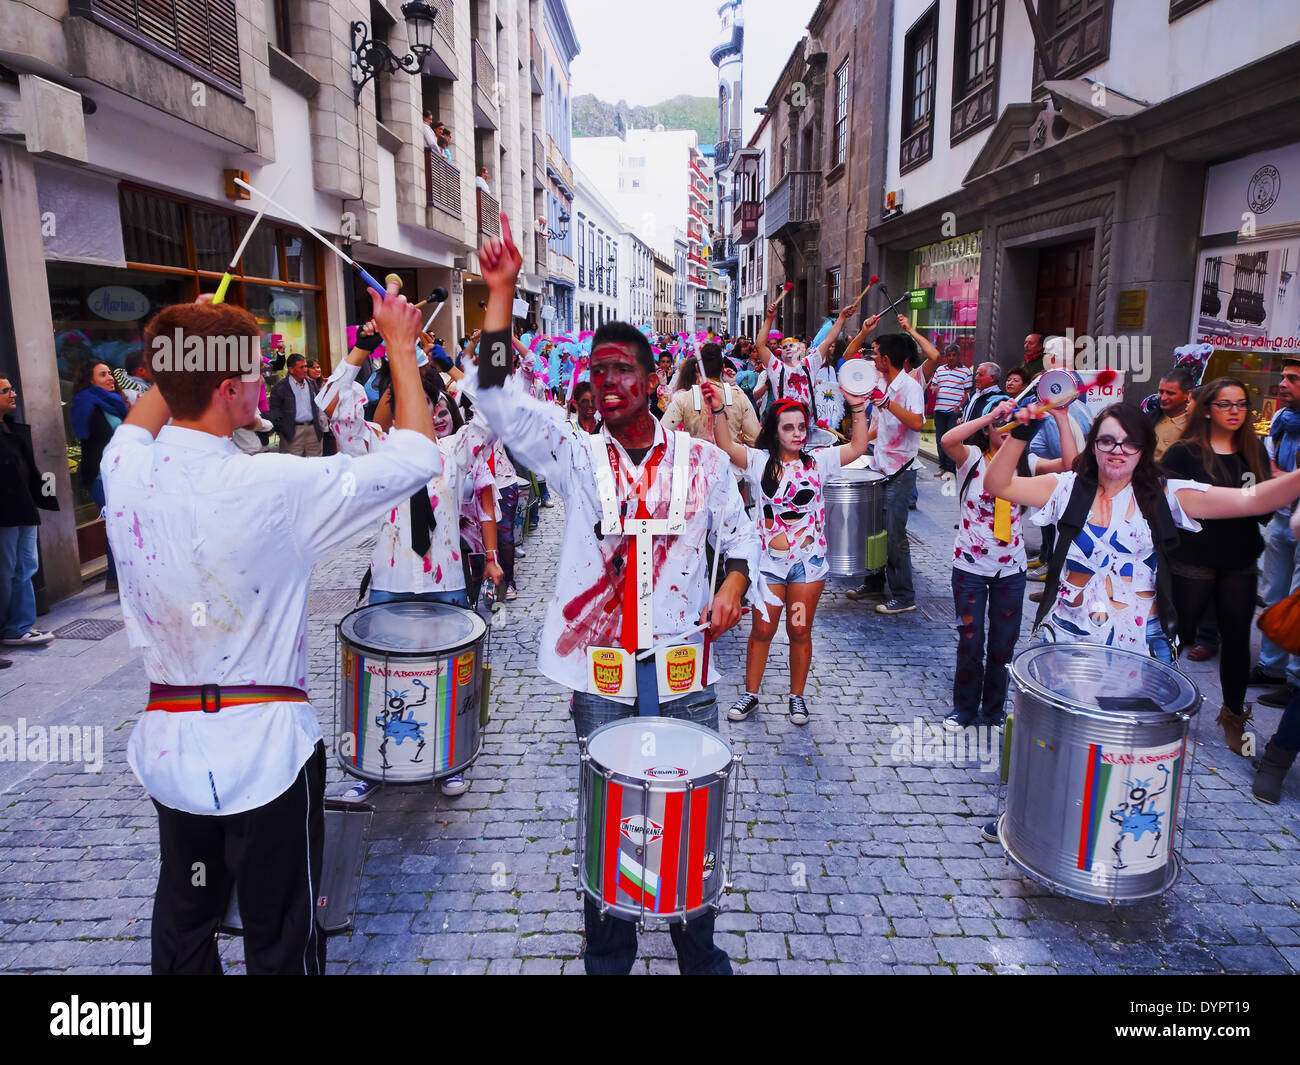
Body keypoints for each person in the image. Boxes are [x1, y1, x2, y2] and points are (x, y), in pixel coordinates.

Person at [102, 288, 438, 974]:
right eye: (255, 370)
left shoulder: (123, 468)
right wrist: (400, 345)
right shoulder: (274, 486)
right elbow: (417, 459)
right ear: (228, 388)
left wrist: (185, 346)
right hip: (268, 756)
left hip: (175, 747)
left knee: (186, 921)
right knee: (280, 932)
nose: (267, 379)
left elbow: (151, 411)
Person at [470, 212, 762, 976]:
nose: (604, 382)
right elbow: (498, 402)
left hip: (683, 671)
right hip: (600, 673)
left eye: (620, 370)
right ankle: (608, 950)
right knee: (612, 813)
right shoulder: (575, 455)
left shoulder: (703, 463)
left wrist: (732, 585)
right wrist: (499, 294)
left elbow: (739, 541)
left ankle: (697, 946)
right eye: (596, 372)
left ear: (652, 381)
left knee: (690, 808)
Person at [980, 399, 1300, 841]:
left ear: (1144, 450)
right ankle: (1028, 816)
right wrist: (1021, 429)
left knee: (1117, 745)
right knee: (1049, 735)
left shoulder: (1165, 495)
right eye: (1107, 440)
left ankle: (1098, 828)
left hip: (1135, 649)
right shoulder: (1066, 487)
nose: (1117, 451)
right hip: (1065, 640)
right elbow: (999, 483)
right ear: (1094, 445)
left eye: (1129, 444)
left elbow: (1257, 498)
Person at [712, 386, 869, 725]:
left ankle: (797, 697)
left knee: (800, 631)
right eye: (788, 427)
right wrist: (718, 410)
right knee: (762, 631)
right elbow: (725, 445)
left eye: (801, 427)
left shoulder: (821, 460)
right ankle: (750, 694)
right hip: (768, 567)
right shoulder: (758, 461)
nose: (797, 433)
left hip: (807, 569)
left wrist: (857, 408)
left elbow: (858, 447)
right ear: (775, 430)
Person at [939, 397, 1076, 730]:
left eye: (1011, 421)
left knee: (1003, 643)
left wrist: (1060, 417)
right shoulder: (970, 458)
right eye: (999, 423)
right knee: (970, 640)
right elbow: (947, 440)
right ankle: (964, 708)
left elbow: (1071, 466)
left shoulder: (1026, 462)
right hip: (970, 567)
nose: (1005, 427)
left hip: (1011, 570)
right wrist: (991, 414)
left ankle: (994, 710)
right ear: (987, 429)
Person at [1161, 378, 1270, 755]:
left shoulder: (1252, 450)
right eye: (1226, 404)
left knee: (1237, 640)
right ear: (1207, 409)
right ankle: (1164, 709)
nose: (1236, 411)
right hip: (1194, 557)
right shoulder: (1184, 454)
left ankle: (1234, 716)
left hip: (1240, 558)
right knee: (1181, 635)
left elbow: (1265, 511)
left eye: (1241, 404)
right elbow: (1169, 509)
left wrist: (1252, 495)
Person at [842, 331, 926, 614]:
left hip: (901, 470)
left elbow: (916, 422)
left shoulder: (909, 387)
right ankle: (874, 583)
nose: (872, 357)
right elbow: (881, 424)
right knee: (873, 530)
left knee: (893, 535)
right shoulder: (880, 382)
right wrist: (860, 441)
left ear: (887, 359)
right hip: (878, 466)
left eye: (876, 353)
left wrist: (887, 403)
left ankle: (904, 595)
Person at [1253, 358, 1300, 710]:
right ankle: (1271, 668)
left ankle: (1295, 681)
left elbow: (1276, 472)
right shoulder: (1284, 421)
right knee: (1274, 592)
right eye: (1284, 377)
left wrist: (1273, 472)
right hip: (1282, 517)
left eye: (1293, 379)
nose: (1283, 384)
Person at [0, 375, 58, 652]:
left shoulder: (12, 428)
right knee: (7, 570)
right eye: (5, 390)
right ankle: (10, 627)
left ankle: (19, 627)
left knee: (26, 568)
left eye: (11, 388)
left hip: (24, 508)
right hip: (6, 513)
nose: (12, 394)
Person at [71, 359, 129, 595]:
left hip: (122, 472)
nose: (110, 377)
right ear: (90, 380)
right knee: (116, 524)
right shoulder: (86, 403)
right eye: (103, 374)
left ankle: (117, 579)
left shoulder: (115, 403)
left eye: (110, 373)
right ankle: (117, 579)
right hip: (99, 475)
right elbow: (89, 435)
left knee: (122, 525)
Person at [661, 344, 760, 446]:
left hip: (697, 460)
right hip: (732, 459)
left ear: (697, 368)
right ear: (723, 368)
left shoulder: (683, 399)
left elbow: (662, 436)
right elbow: (754, 439)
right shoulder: (739, 397)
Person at [269, 354, 324, 457]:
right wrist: (284, 431)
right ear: (291, 369)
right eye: (301, 367)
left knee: (315, 465)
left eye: (306, 366)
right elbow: (275, 413)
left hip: (313, 431)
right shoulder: (280, 388)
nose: (305, 370)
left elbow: (320, 405)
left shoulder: (312, 384)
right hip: (292, 433)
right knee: (293, 467)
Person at [929, 343, 972, 475]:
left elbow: (967, 393)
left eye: (954, 355)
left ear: (959, 356)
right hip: (939, 411)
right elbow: (932, 386)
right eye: (948, 355)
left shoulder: (966, 372)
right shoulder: (940, 370)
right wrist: (933, 389)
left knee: (951, 441)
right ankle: (942, 467)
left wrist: (959, 407)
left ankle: (950, 469)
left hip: (954, 412)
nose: (951, 358)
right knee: (940, 439)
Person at [1150, 368, 1196, 462]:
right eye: (1161, 392)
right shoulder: (1149, 419)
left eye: (1170, 393)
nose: (1163, 397)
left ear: (1187, 395)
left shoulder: (1197, 426)